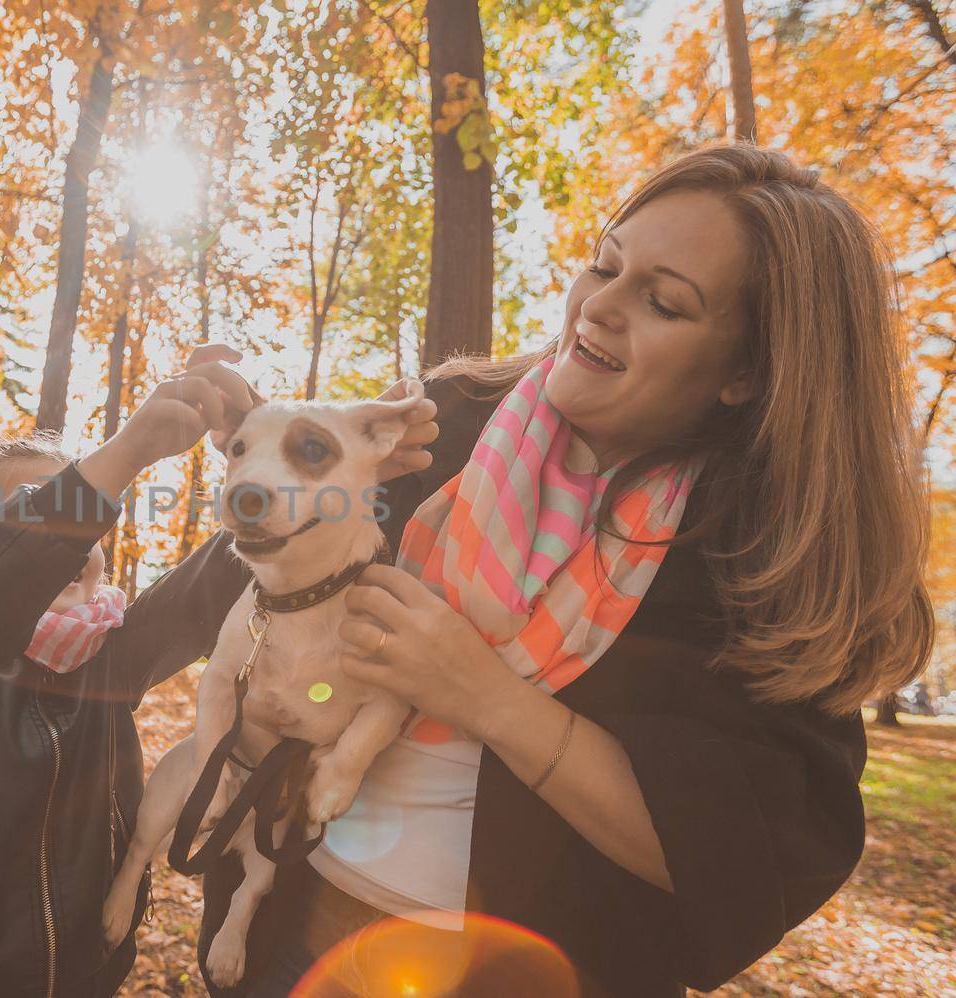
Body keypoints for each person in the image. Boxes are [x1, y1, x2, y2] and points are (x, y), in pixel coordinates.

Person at [192, 143, 936, 997]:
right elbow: (222, 599)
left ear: (748, 371)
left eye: (662, 302)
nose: (601, 306)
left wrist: (486, 697)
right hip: (289, 939)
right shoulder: (448, 421)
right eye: (604, 265)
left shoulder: (769, 560)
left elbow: (754, 849)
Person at [0, 346, 440, 996]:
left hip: (88, 973)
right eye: (42, 506)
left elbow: (266, 558)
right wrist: (124, 455)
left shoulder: (106, 659)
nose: (73, 536)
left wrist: (309, 460)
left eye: (82, 513)